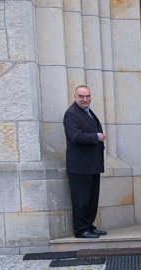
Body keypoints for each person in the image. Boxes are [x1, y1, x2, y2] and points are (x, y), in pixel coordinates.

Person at [63, 85, 106, 239]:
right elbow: (76, 136)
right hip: (80, 166)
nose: (85, 99)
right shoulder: (71, 114)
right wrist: (97, 137)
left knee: (92, 198)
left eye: (87, 96)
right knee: (81, 199)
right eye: (81, 96)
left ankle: (89, 226)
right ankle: (81, 229)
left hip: (92, 164)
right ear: (75, 97)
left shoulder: (87, 112)